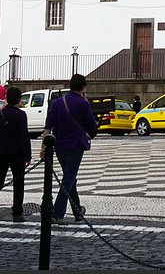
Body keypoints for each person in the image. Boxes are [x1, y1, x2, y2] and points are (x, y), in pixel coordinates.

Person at [45, 73, 98, 223]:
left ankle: (77, 211)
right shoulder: (83, 103)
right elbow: (91, 125)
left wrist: (44, 146)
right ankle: (57, 213)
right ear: (83, 87)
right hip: (75, 145)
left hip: (59, 146)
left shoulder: (56, 103)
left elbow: (48, 125)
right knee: (68, 178)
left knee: (70, 177)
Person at [0, 85, 31, 225]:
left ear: (7, 99)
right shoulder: (21, 115)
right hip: (16, 153)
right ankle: (17, 213)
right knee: (18, 183)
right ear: (19, 100)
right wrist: (28, 155)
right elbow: (24, 136)